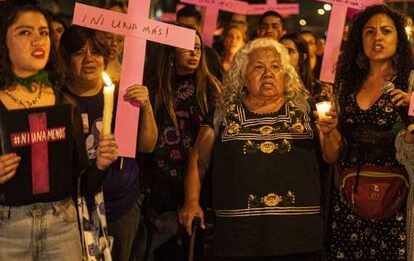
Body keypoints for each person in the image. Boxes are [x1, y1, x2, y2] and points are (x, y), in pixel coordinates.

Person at [180, 38, 343, 260]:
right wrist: (191, 202)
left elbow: (332, 155)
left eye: (275, 67)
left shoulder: (308, 111)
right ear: (244, 77)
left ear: (285, 75)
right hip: (239, 239)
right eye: (258, 66)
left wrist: (330, 132)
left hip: (298, 239)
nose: (268, 73)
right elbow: (199, 158)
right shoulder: (224, 114)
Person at [0, 0, 118, 260]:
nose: (38, 40)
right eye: (24, 32)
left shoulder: (65, 104)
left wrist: (99, 165)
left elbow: (83, 184)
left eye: (43, 32)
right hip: (7, 231)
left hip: (61, 229)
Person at [60, 26, 158, 261]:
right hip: (74, 210)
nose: (89, 59)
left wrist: (145, 106)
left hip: (120, 206)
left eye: (95, 51)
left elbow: (147, 145)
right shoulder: (57, 101)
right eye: (79, 53)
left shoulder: (122, 96)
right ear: (65, 60)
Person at [328, 4, 413, 260]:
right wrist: (327, 130)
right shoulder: (345, 85)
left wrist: (411, 106)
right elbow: (334, 150)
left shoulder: (409, 81)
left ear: (399, 38)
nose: (377, 38)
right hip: (349, 192)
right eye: (370, 32)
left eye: (386, 31)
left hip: (395, 195)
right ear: (359, 39)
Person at [138, 30, 221, 260]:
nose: (194, 53)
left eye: (198, 48)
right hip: (163, 180)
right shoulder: (155, 89)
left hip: (200, 180)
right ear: (172, 52)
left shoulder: (212, 88)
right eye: (187, 47)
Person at [175, 5, 222, 80]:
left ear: (199, 28)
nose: (186, 31)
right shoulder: (165, 53)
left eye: (190, 27)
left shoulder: (211, 57)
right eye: (182, 27)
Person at [96, 0, 128, 82]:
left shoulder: (128, 74)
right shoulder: (89, 71)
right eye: (109, 37)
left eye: (120, 40)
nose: (114, 44)